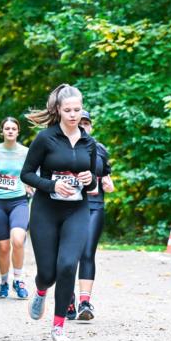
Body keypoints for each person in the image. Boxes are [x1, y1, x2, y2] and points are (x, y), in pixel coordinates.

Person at [20, 84, 98, 341]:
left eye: (77, 110)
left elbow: (92, 181)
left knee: (67, 266)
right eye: (68, 110)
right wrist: (52, 185)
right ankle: (41, 289)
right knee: (48, 273)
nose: (74, 115)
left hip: (77, 210)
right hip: (46, 210)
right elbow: (26, 174)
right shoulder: (45, 138)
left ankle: (58, 328)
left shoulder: (89, 142)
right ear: (58, 110)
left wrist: (89, 178)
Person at [66, 110, 113, 321]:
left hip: (94, 206)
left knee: (87, 253)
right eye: (80, 123)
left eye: (87, 123)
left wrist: (107, 182)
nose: (83, 126)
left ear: (91, 126)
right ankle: (68, 299)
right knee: (69, 255)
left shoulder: (100, 149)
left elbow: (108, 179)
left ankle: (85, 303)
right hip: (69, 206)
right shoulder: (63, 147)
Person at [0, 117, 31, 299]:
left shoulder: (26, 152)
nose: (10, 131)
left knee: (18, 240)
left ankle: (18, 280)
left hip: (19, 201)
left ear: (18, 132)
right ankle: (4, 282)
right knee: (3, 247)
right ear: (2, 131)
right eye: (7, 128)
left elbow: (31, 173)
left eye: (13, 128)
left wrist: (29, 184)